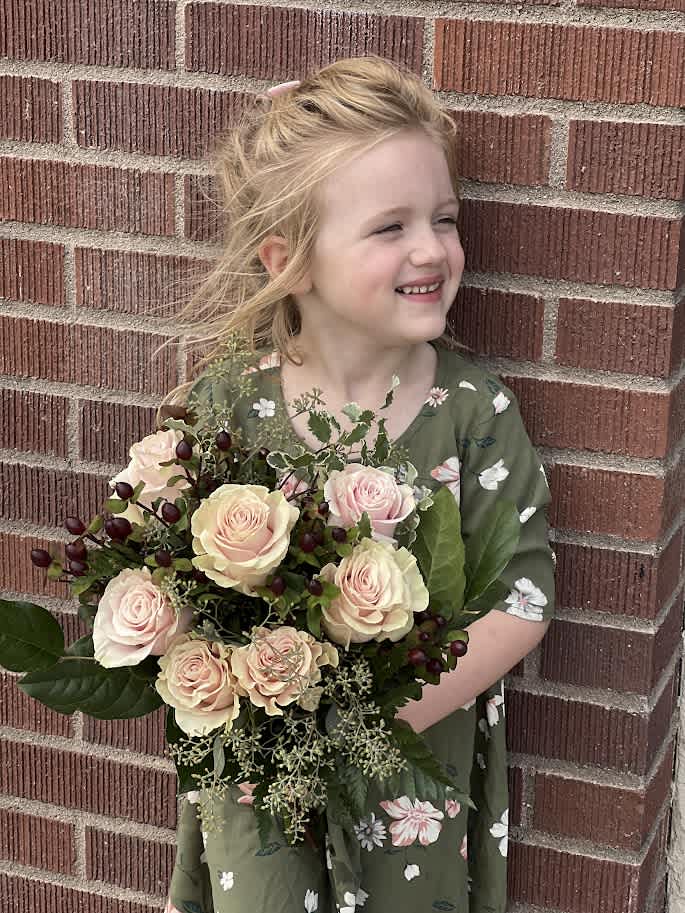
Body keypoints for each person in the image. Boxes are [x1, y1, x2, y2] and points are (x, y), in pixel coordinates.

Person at [162, 55, 555, 913]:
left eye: (443, 218)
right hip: (262, 782)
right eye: (389, 227)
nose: (432, 249)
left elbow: (520, 602)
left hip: (405, 784)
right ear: (290, 261)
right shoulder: (228, 405)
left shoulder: (472, 413)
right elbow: (172, 576)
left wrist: (367, 727)